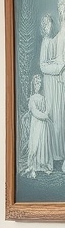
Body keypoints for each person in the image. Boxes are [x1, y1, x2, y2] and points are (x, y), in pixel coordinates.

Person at [39, 13, 64, 165]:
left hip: (56, 82)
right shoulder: (45, 42)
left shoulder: (53, 41)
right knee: (53, 115)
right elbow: (43, 66)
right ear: (43, 28)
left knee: (59, 115)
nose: (48, 27)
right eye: (45, 25)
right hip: (49, 82)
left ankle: (59, 153)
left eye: (50, 24)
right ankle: (54, 154)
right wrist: (58, 67)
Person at [25, 73, 55, 178]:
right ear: (33, 85)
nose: (38, 85)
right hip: (37, 124)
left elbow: (47, 109)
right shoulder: (32, 98)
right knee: (36, 143)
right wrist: (44, 116)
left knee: (44, 142)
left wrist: (46, 114)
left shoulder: (43, 97)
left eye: (39, 83)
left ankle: (44, 165)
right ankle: (34, 165)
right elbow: (34, 111)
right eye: (36, 83)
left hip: (44, 125)